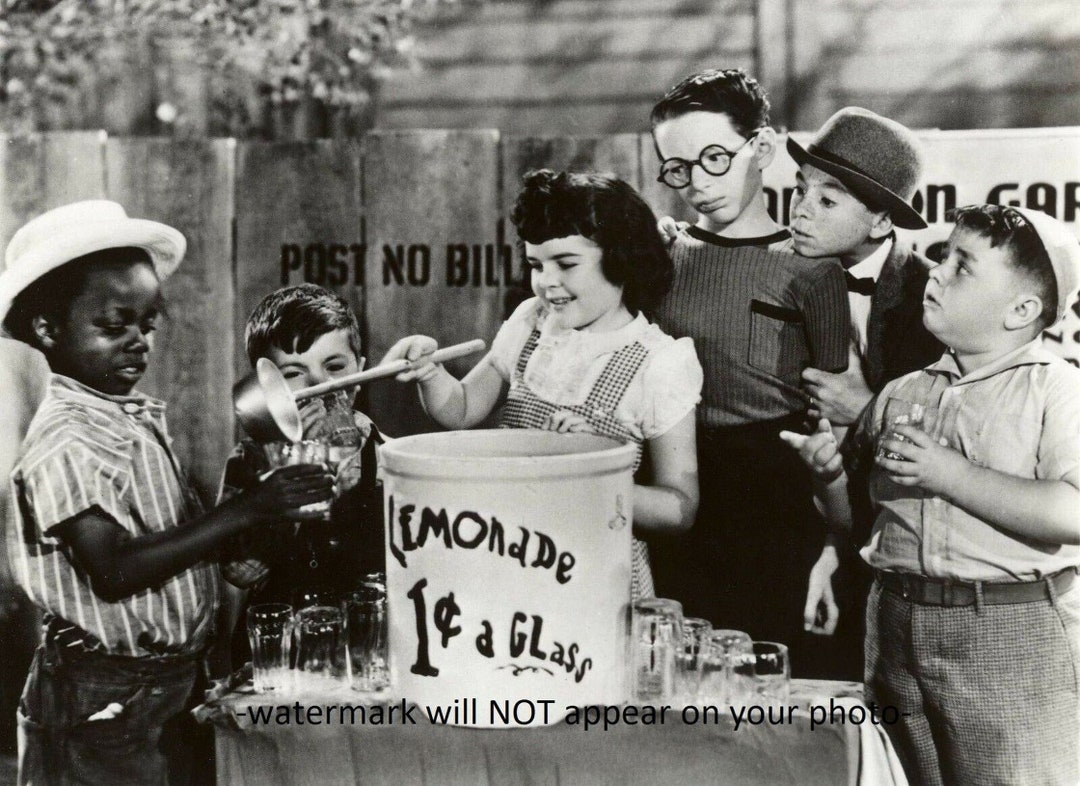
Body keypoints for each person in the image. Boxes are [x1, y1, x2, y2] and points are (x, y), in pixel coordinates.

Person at [0, 200, 334, 785]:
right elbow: (114, 571)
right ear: (47, 329)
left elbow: (170, 539)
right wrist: (248, 509)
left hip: (165, 683)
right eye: (114, 326)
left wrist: (258, 507)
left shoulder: (124, 418)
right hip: (104, 697)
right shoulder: (67, 441)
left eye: (147, 325)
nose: (138, 342)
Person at [782, 204, 1080, 786]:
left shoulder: (1058, 388)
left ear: (1022, 311)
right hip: (894, 624)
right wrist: (829, 478)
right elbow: (857, 520)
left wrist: (949, 473)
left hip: (1009, 632)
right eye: (943, 256)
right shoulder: (900, 392)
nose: (937, 272)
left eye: (963, 266)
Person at [384, 169, 703, 599]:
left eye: (566, 264)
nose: (547, 282)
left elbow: (679, 509)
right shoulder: (531, 321)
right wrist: (431, 374)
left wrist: (596, 469)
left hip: (594, 575)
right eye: (536, 265)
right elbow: (461, 410)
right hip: (507, 554)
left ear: (622, 257)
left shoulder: (661, 362)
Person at [647, 67, 850, 670]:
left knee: (767, 677)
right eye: (677, 168)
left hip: (774, 503)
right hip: (673, 486)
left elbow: (834, 420)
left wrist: (835, 542)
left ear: (760, 148)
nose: (697, 184)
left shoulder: (813, 271)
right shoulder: (659, 256)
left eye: (715, 158)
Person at [785, 107, 944, 675]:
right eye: (799, 190)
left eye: (827, 201)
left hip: (899, 545)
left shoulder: (932, 296)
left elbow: (952, 435)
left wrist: (865, 409)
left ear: (880, 223)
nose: (800, 210)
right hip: (800, 527)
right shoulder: (778, 271)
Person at [218, 284, 385, 661]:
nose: (319, 386)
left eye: (335, 367)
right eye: (294, 373)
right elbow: (240, 573)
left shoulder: (388, 455)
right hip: (280, 649)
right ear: (268, 387)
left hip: (362, 647)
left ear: (359, 372)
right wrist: (296, 468)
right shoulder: (250, 459)